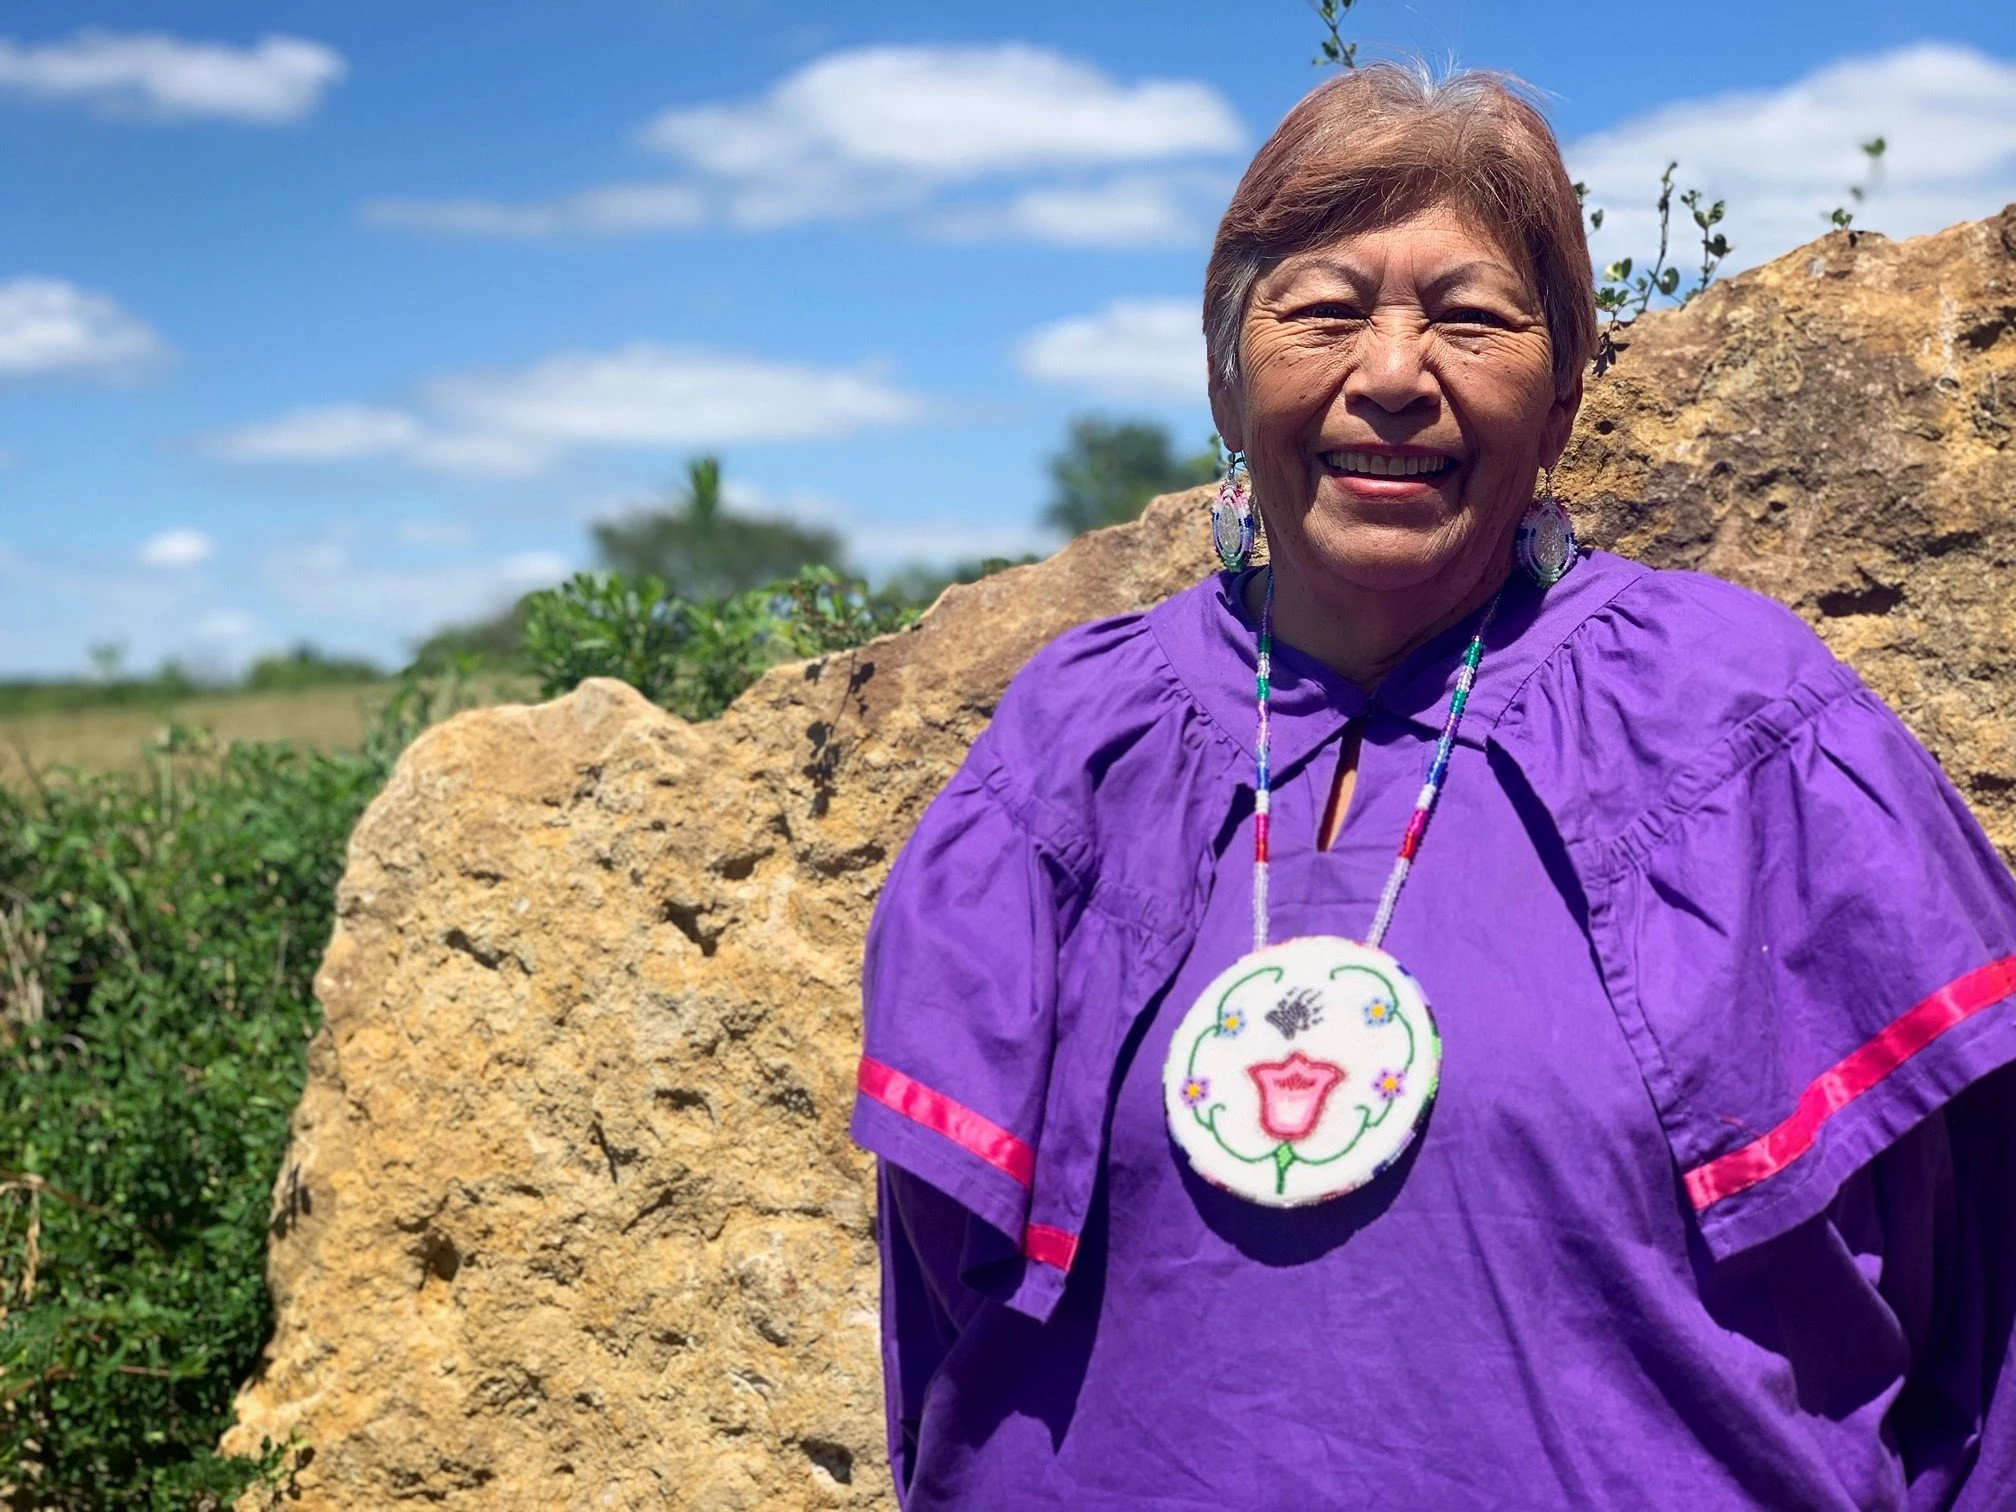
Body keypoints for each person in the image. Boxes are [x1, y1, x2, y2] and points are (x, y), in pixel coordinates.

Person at [850, 63, 2016, 1510]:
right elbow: (939, 1308)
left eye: (1470, 317)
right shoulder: (1070, 762)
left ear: (1566, 393)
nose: (1394, 375)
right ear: (1227, 374)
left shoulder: (1752, 735)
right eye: (1326, 309)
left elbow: (1986, 1286)